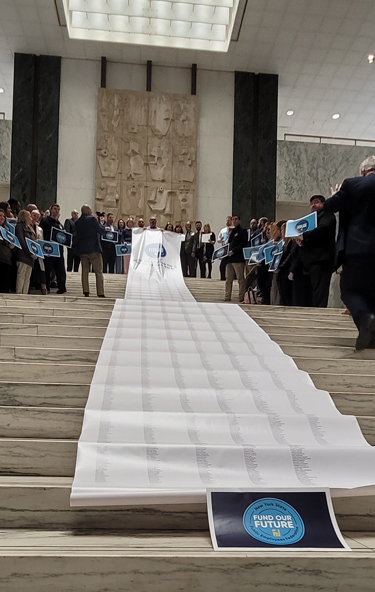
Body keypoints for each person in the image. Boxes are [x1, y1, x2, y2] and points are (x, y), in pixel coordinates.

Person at [324, 156, 375, 350]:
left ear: (364, 171)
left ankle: (365, 320)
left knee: (350, 290)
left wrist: (336, 194)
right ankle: (368, 336)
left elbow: (329, 207)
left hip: (358, 248)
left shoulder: (352, 185)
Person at [296, 195, 336, 308]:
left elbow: (322, 230)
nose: (313, 205)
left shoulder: (327, 215)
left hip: (321, 259)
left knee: (320, 290)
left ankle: (319, 312)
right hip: (311, 260)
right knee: (313, 289)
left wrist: (304, 236)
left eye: (316, 202)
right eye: (311, 203)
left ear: (323, 204)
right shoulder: (312, 219)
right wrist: (302, 242)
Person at [75, 205, 106, 298]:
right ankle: (100, 292)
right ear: (88, 211)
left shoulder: (77, 222)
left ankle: (86, 291)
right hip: (94, 249)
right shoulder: (92, 219)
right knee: (98, 271)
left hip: (82, 250)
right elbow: (101, 231)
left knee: (85, 271)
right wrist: (100, 222)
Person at [40, 203, 67, 294]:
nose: (56, 211)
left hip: (59, 251)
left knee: (60, 270)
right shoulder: (45, 221)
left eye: (58, 209)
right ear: (50, 210)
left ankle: (62, 288)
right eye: (55, 209)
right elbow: (41, 233)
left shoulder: (60, 224)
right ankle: (46, 287)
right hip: (48, 250)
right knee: (47, 269)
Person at [225, 215, 248, 303]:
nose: (234, 221)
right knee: (228, 279)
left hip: (238, 258)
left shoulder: (243, 231)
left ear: (239, 221)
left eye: (236, 219)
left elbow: (243, 244)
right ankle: (227, 296)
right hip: (230, 259)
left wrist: (234, 251)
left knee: (240, 279)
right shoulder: (231, 232)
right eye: (233, 219)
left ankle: (241, 296)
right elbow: (229, 244)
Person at [15, 209, 37, 294]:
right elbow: (21, 241)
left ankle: (25, 293)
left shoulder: (30, 228)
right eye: (29, 216)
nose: (31, 218)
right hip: (23, 255)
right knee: (21, 275)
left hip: (30, 257)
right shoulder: (19, 226)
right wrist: (29, 252)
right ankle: (19, 292)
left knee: (27, 277)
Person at [30, 209, 47, 295]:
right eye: (34, 216)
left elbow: (42, 240)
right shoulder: (27, 226)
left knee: (41, 268)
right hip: (30, 250)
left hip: (38, 251)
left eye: (37, 216)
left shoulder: (40, 229)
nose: (35, 218)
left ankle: (43, 288)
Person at [0, 208, 14, 293]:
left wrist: (11, 245)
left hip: (6, 259)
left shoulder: (7, 230)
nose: (2, 218)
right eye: (0, 216)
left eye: (3, 216)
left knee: (5, 282)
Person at [217, 215, 232, 281]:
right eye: (227, 220)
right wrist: (221, 239)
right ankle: (222, 278)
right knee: (222, 265)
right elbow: (218, 239)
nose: (227, 222)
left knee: (231, 265)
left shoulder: (233, 230)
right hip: (224, 249)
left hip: (231, 250)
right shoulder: (223, 230)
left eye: (229, 220)